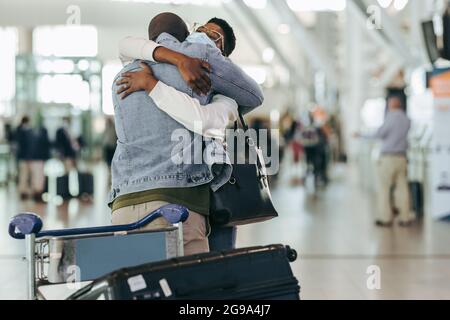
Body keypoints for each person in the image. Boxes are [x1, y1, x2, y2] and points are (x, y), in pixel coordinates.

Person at [110, 13, 263, 255]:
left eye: (213, 36)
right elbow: (253, 96)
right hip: (179, 202)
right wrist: (181, 61)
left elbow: (125, 44)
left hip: (123, 202)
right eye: (200, 29)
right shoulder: (202, 63)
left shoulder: (125, 74)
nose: (203, 35)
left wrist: (154, 81)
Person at [355, 95, 414, 227]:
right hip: (402, 157)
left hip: (388, 157)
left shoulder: (390, 118)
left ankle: (385, 218)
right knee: (402, 188)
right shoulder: (407, 119)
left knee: (384, 188)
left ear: (392, 105)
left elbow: (379, 134)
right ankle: (405, 217)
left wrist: (360, 135)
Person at [15, 116, 33, 199]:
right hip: (24, 157)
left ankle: (24, 191)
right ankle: (23, 191)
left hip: (22, 157)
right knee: (24, 175)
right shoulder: (23, 131)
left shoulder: (18, 130)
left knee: (24, 175)